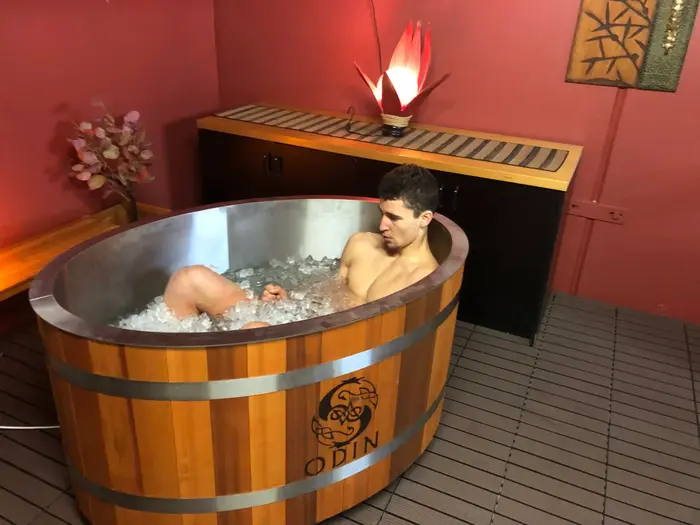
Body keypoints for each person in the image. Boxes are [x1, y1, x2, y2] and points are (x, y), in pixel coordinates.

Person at [163, 163, 441, 323]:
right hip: (303, 323)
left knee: (254, 332)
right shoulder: (361, 244)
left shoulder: (425, 281)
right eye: (382, 214)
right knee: (188, 280)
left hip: (335, 353)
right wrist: (289, 303)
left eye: (394, 218)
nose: (382, 225)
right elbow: (331, 291)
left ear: (424, 218)